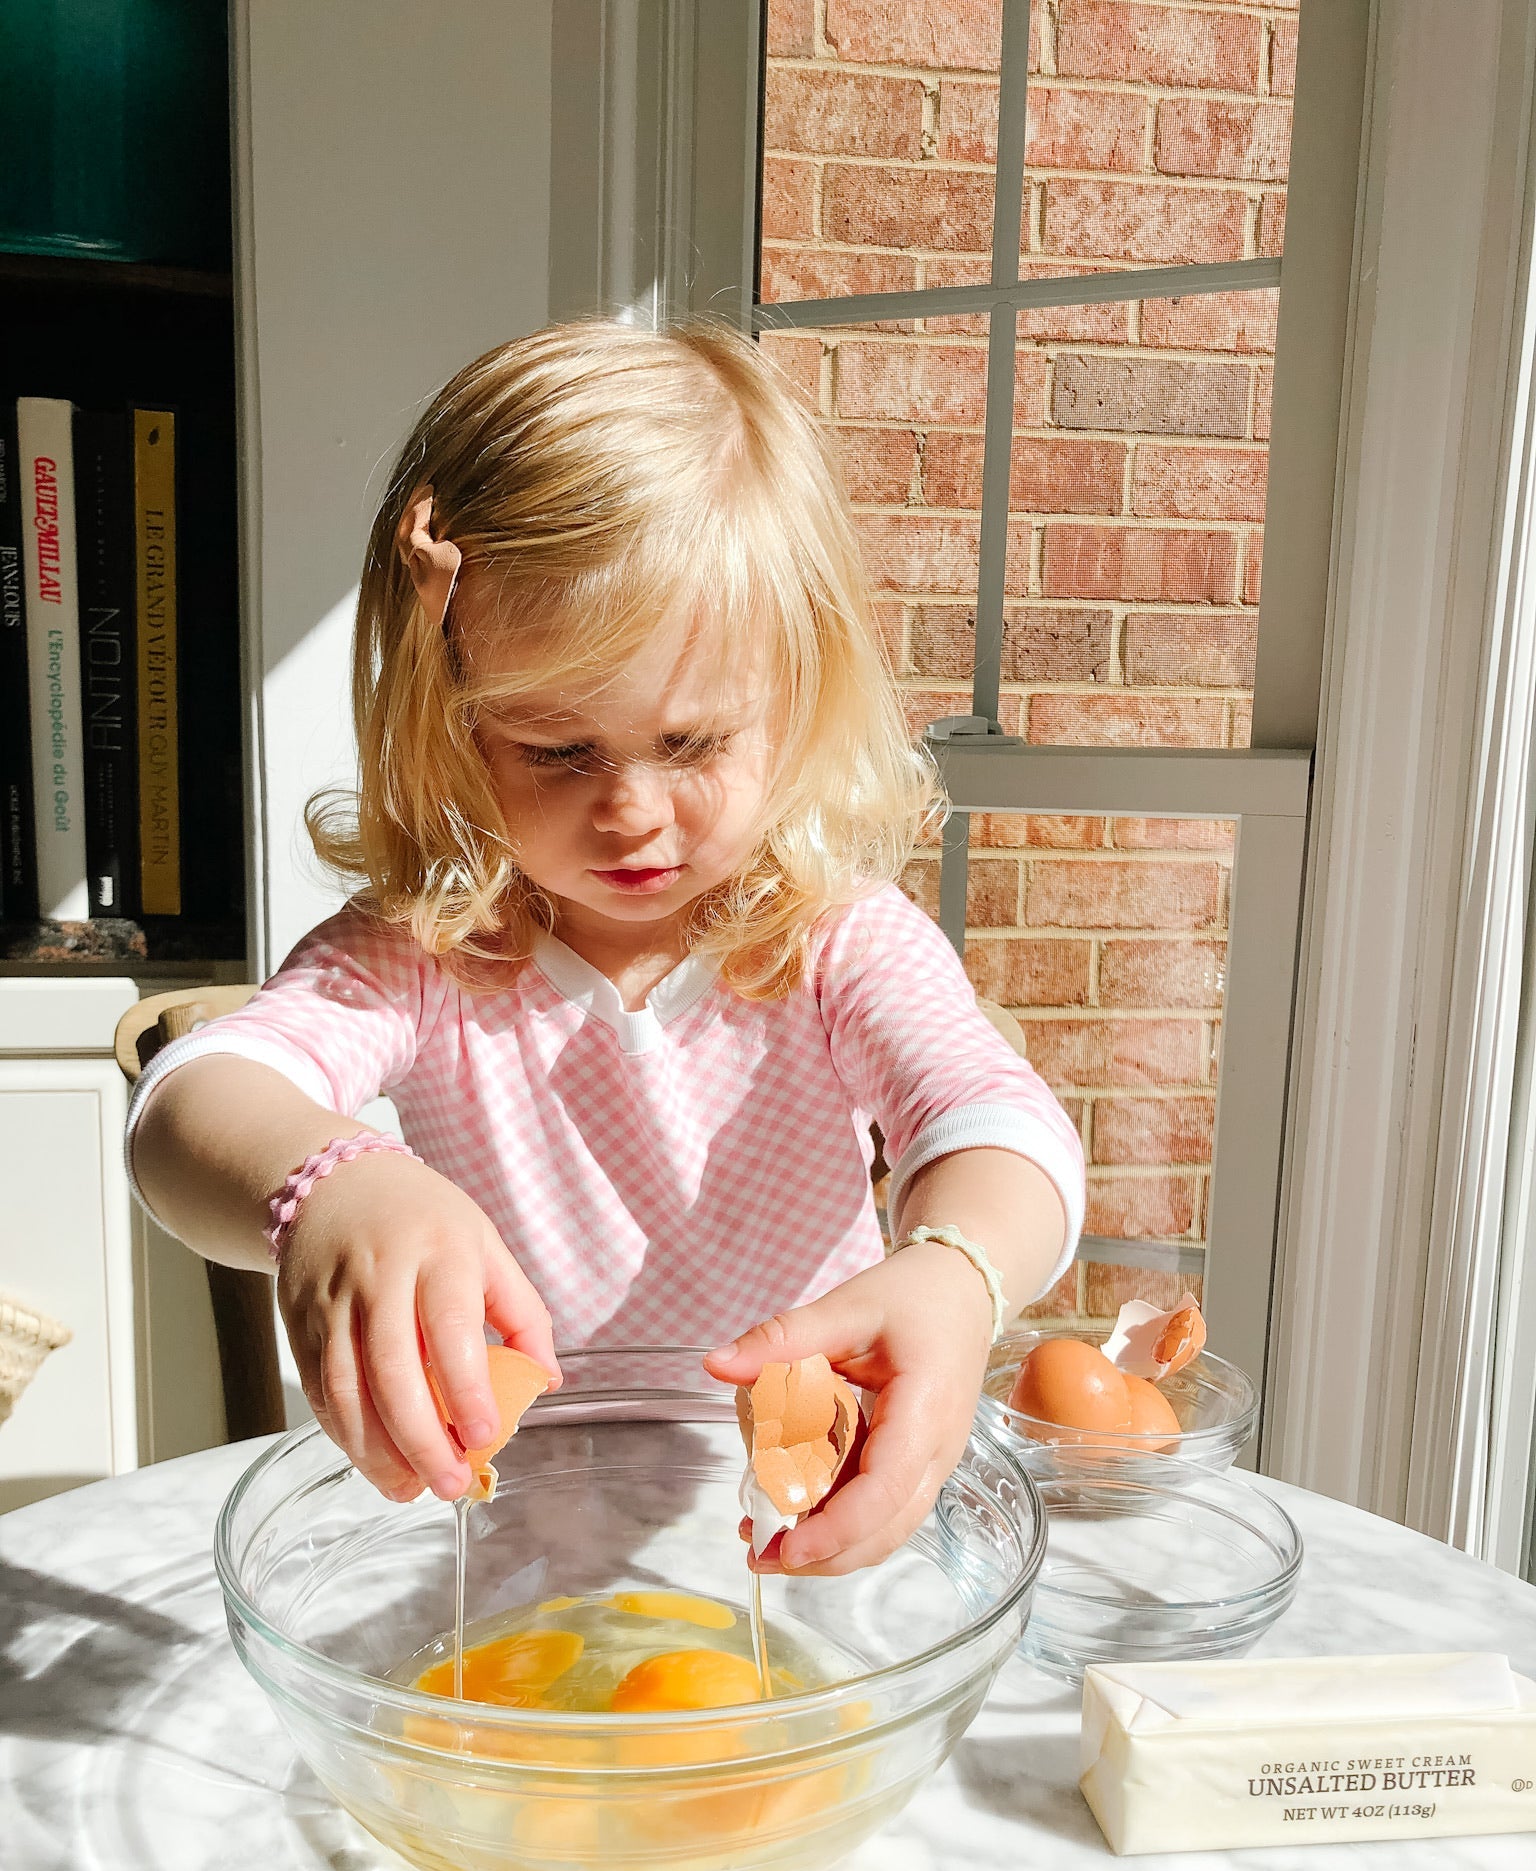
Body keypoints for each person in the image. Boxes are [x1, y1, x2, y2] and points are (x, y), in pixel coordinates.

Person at [129, 320, 1084, 1576]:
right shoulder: (426, 955)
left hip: (800, 1533)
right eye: (558, 750)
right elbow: (186, 1107)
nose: (631, 809)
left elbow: (997, 1118)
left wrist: (957, 1270)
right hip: (516, 1549)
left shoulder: (833, 942)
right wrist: (326, 1180)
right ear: (452, 720)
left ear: (795, 696)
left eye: (690, 744)